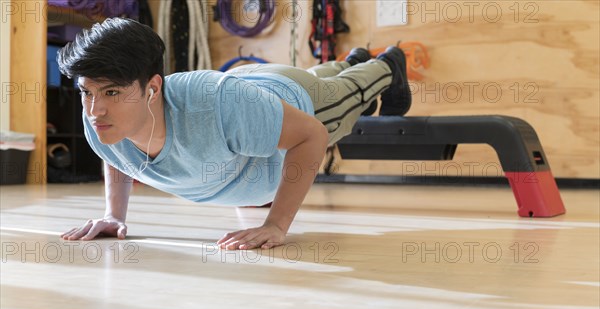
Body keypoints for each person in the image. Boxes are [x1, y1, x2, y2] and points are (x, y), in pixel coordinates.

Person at [57, 18, 411, 250]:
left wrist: (276, 224)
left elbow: (312, 136)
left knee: (348, 98)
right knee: (329, 77)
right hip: (252, 96)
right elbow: (119, 156)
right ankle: (350, 62)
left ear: (152, 88)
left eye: (112, 93)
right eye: (87, 92)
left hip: (295, 100)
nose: (94, 110)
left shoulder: (215, 106)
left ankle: (386, 65)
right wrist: (115, 215)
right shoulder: (102, 119)